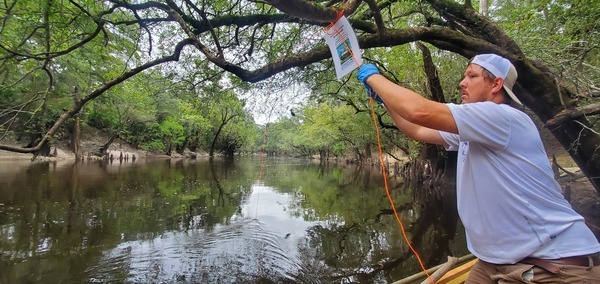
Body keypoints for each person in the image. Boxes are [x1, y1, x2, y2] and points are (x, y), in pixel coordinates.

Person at [356, 53, 600, 283]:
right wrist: (386, 100)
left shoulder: (502, 117)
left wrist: (374, 78)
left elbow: (418, 111)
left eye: (471, 76)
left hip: (552, 265)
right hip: (497, 261)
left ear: (496, 84)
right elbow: (417, 130)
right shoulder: (475, 128)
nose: (462, 83)